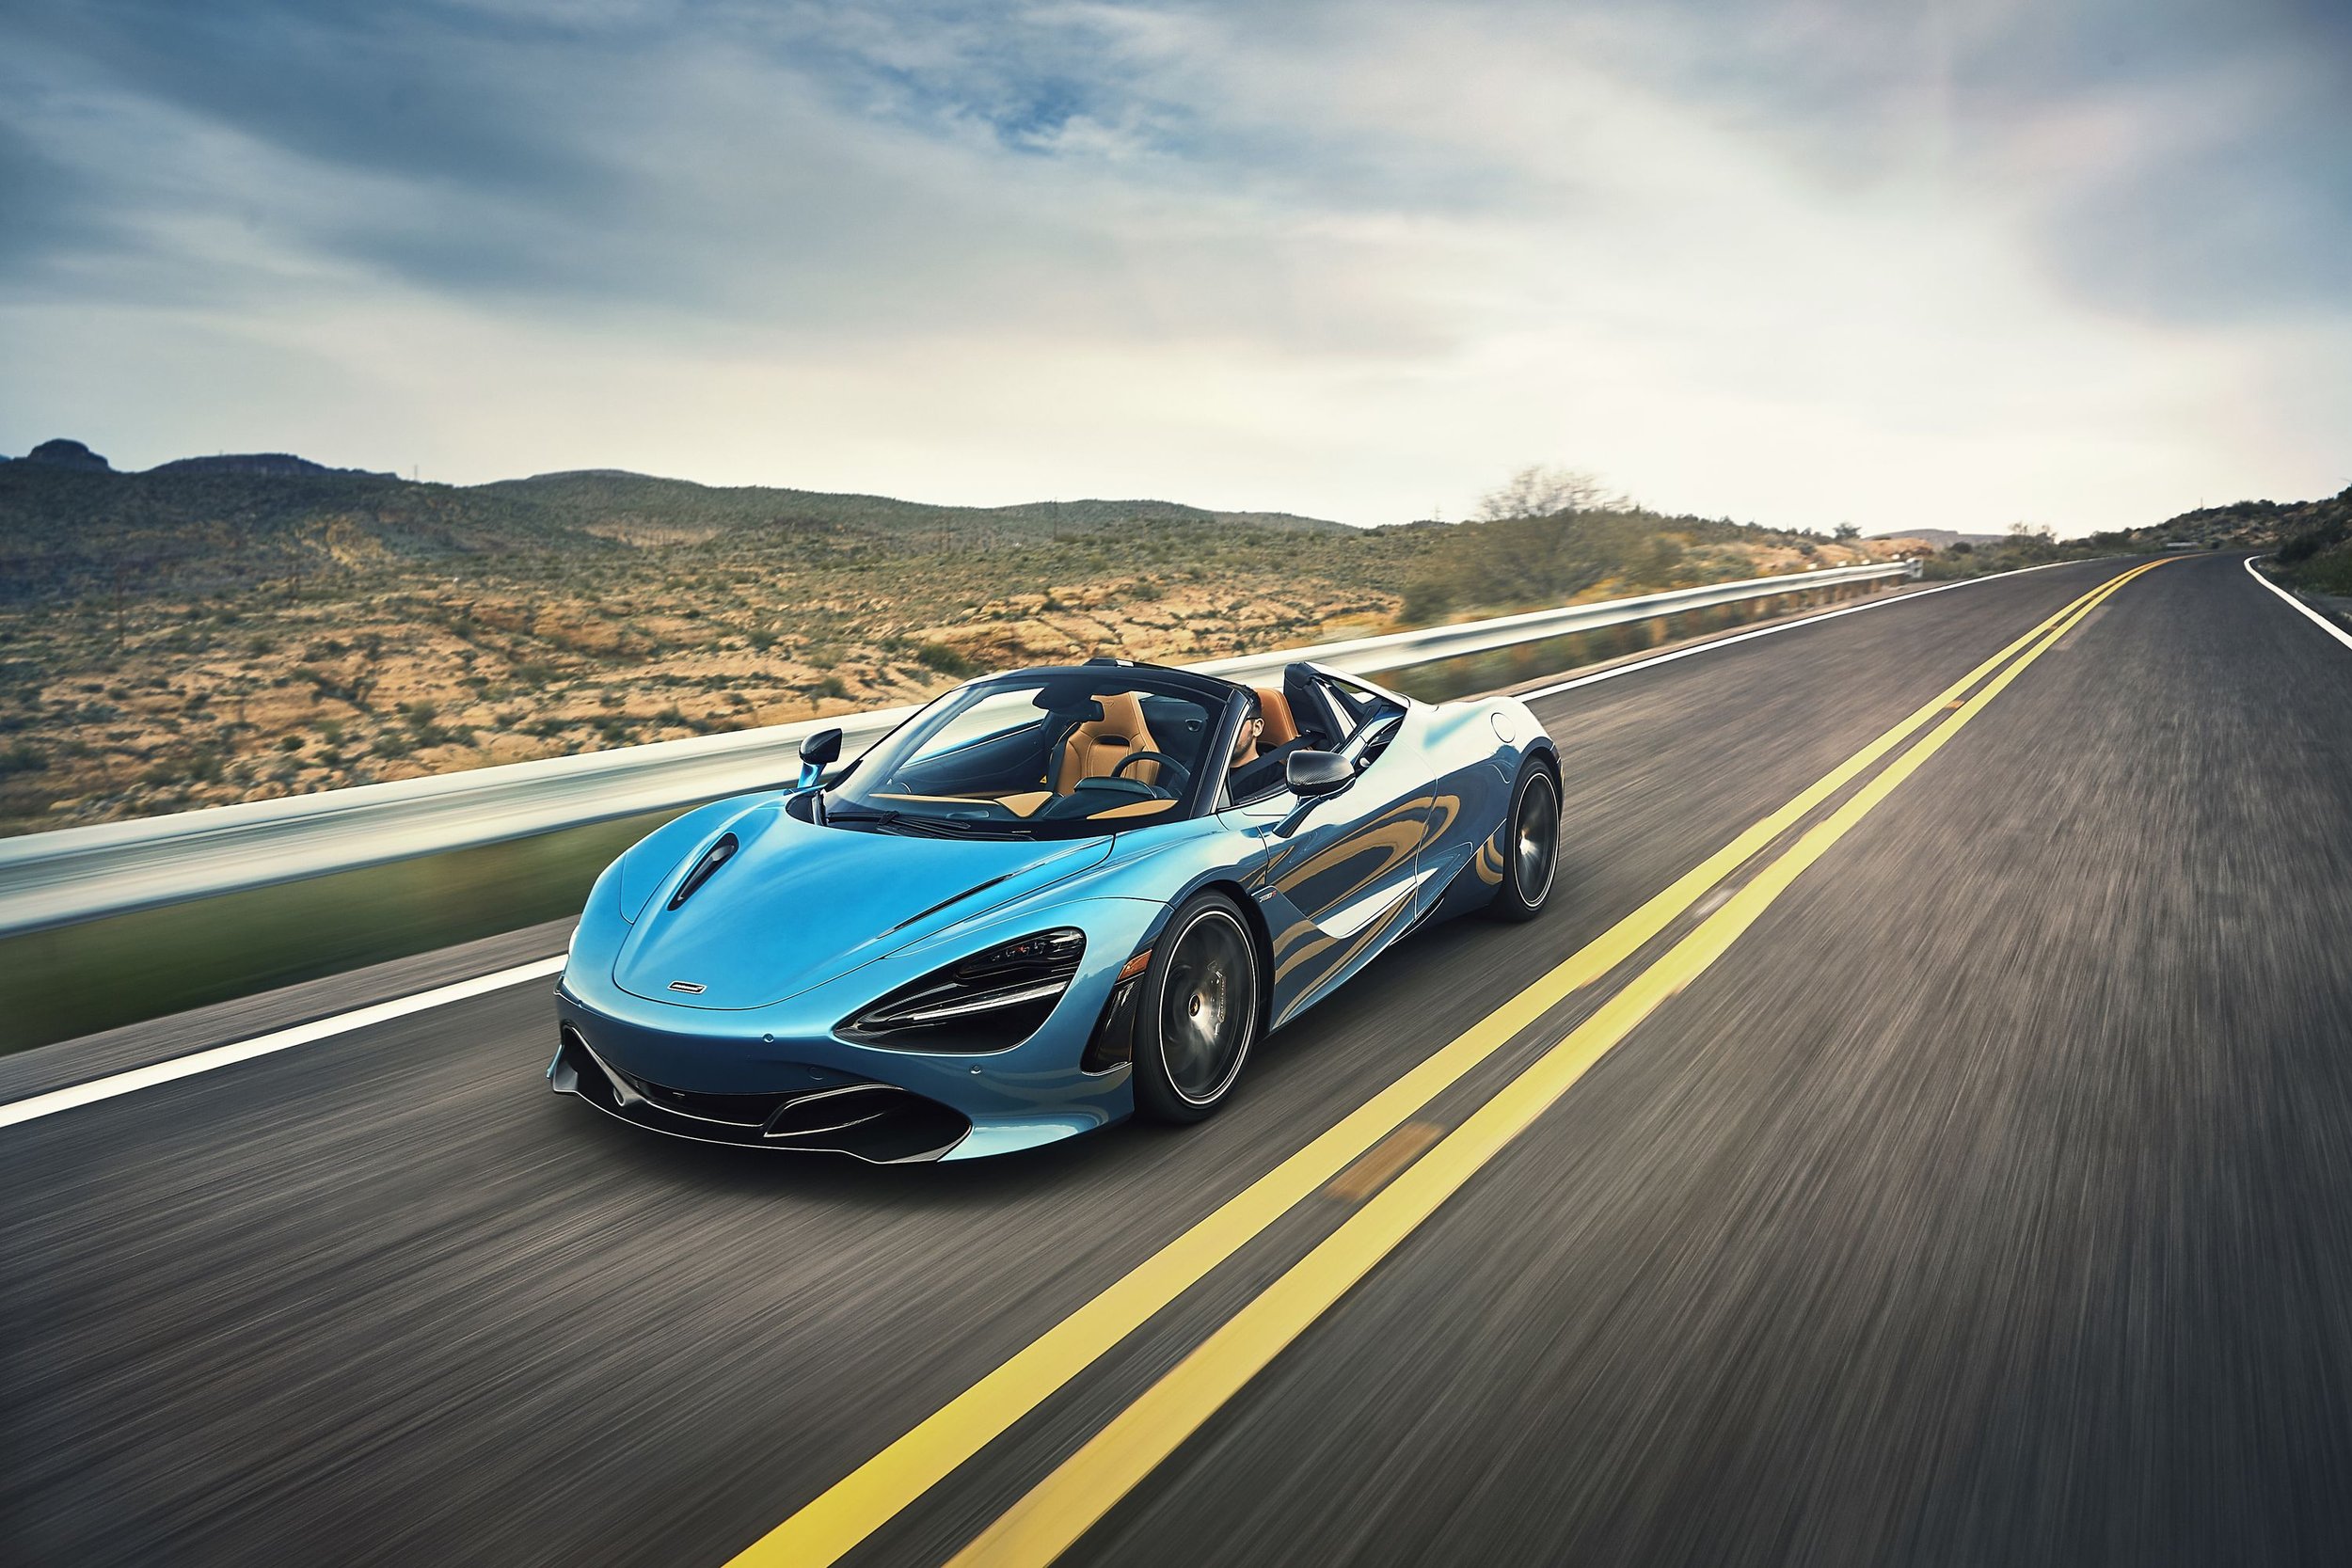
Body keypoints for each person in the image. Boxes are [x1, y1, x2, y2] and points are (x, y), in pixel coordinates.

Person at [1226, 690, 1298, 800]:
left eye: (1233, 722)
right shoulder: (1201, 767)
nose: (1224, 731)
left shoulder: (1277, 780)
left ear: (1257, 728)